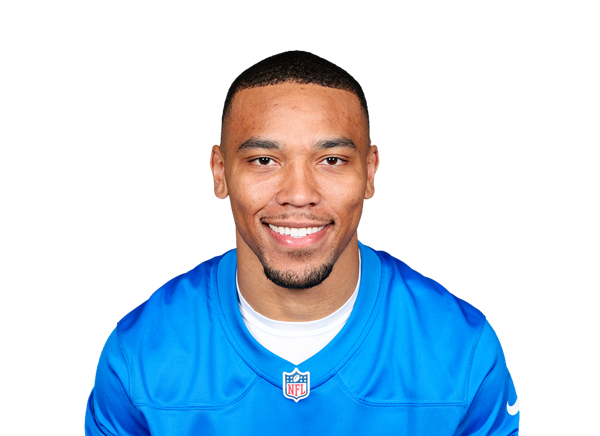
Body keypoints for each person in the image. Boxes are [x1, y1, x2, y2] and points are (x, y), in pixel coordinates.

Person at [84, 50, 519, 435]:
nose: (298, 193)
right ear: (219, 172)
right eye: (264, 160)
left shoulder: (462, 348)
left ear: (370, 172)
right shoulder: (138, 354)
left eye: (331, 160)